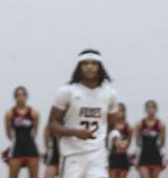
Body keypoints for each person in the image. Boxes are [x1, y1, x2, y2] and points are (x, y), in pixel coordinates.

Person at [47, 49, 119, 178]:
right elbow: (52, 124)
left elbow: (113, 126)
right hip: (72, 154)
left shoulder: (110, 93)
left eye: (94, 63)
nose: (89, 67)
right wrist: (75, 132)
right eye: (85, 63)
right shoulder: (67, 91)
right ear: (79, 67)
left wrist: (116, 139)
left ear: (100, 67)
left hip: (98, 154)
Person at [5, 86, 40, 178]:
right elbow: (8, 133)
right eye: (18, 95)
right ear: (15, 97)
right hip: (17, 148)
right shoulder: (10, 113)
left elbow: (35, 132)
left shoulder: (34, 113)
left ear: (26, 96)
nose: (21, 97)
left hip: (31, 148)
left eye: (23, 95)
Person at [135, 101, 166, 177]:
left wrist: (162, 135)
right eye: (148, 107)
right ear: (145, 109)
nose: (150, 109)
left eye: (152, 107)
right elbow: (137, 142)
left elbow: (162, 143)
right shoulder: (140, 124)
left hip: (155, 155)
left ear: (156, 109)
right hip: (144, 155)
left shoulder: (160, 124)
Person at [108, 103, 132, 178]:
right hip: (112, 156)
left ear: (124, 112)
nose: (119, 112)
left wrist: (123, 145)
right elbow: (106, 141)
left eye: (121, 110)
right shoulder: (110, 126)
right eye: (117, 110)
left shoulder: (128, 127)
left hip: (123, 157)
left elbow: (128, 142)